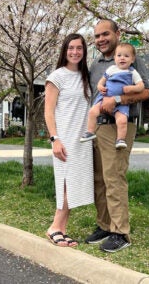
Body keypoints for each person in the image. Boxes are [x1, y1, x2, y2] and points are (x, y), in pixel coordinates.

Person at [85, 19, 149, 252]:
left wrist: (119, 99)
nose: (100, 39)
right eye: (96, 36)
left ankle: (120, 232)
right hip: (99, 127)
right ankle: (104, 224)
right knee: (99, 179)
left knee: (114, 178)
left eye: (105, 34)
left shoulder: (130, 59)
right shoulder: (96, 65)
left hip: (120, 125)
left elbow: (145, 92)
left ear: (117, 34)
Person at [44, 33, 94, 248]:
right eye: (71, 48)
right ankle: (54, 227)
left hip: (81, 140)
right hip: (64, 139)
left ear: (84, 51)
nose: (75, 52)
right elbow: (48, 112)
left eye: (79, 48)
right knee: (65, 184)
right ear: (65, 50)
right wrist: (55, 139)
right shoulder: (57, 76)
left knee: (73, 185)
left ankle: (62, 229)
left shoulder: (85, 77)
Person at [80, 42, 144, 149]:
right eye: (119, 56)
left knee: (122, 120)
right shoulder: (111, 69)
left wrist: (132, 88)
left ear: (132, 59)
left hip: (121, 104)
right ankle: (90, 132)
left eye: (126, 56)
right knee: (92, 111)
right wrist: (100, 86)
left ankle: (120, 139)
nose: (122, 58)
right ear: (115, 58)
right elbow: (102, 80)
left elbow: (141, 86)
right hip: (104, 98)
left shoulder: (132, 72)